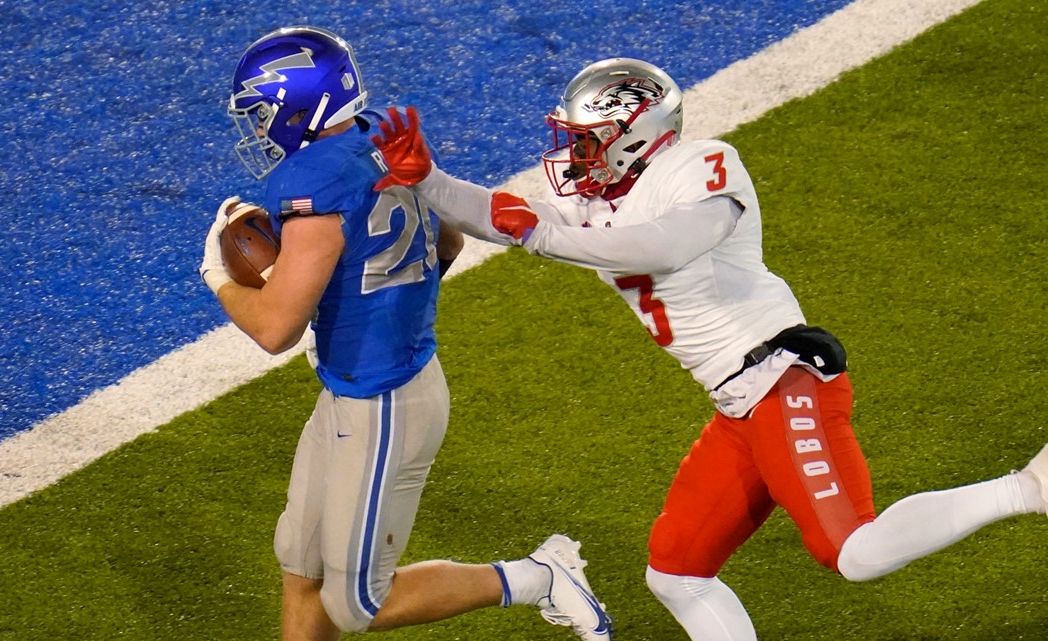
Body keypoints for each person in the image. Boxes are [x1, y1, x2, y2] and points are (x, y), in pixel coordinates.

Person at [370, 57, 1048, 640]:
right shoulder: (598, 197)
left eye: (588, 141)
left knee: (855, 551)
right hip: (738, 401)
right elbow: (502, 214)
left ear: (634, 137)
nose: (574, 155)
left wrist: (537, 233)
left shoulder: (702, 167)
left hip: (783, 377)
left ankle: (1029, 486)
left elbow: (661, 245)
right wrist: (427, 178)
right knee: (675, 570)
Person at [197, 26, 614, 641]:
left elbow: (276, 329)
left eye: (262, 112)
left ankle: (537, 576)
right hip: (365, 384)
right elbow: (447, 240)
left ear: (296, 105)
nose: (258, 128)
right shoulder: (379, 136)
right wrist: (384, 299)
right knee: (301, 563)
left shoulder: (312, 182)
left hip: (382, 403)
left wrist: (217, 277)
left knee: (358, 604)